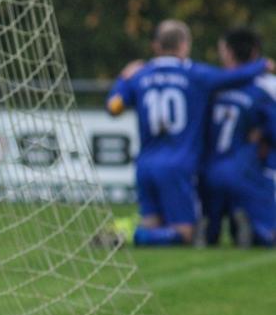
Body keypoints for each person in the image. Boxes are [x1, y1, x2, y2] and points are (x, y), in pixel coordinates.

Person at [106, 19, 273, 246]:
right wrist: (262, 65)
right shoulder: (195, 74)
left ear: (156, 46)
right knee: (186, 234)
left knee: (154, 223)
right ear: (184, 45)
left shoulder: (140, 75)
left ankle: (130, 233)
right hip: (178, 164)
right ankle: (131, 236)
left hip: (145, 164)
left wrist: (122, 80)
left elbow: (113, 108)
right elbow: (233, 77)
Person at [199, 27, 276, 246]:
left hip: (208, 172)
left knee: (212, 233)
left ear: (228, 53)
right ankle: (255, 230)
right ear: (255, 53)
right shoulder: (267, 86)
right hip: (247, 171)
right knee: (267, 236)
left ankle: (209, 228)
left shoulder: (213, 84)